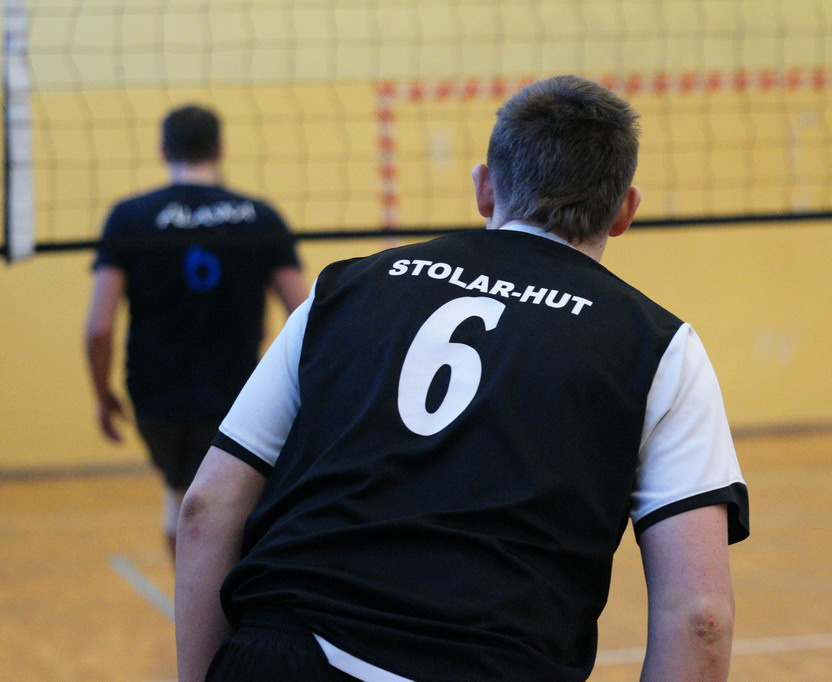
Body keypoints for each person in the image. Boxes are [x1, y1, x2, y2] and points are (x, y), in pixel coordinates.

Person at [175, 76, 749, 682]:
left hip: (282, 656)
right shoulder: (661, 346)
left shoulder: (345, 288)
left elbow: (206, 507)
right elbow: (701, 618)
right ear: (626, 210)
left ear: (484, 187)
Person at [85, 104, 307, 561]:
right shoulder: (260, 217)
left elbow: (99, 328)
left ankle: (192, 600)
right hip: (240, 396)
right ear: (220, 148)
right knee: (240, 510)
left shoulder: (129, 218)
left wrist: (103, 395)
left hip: (156, 397)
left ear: (162, 150)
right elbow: (306, 314)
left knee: (182, 496)